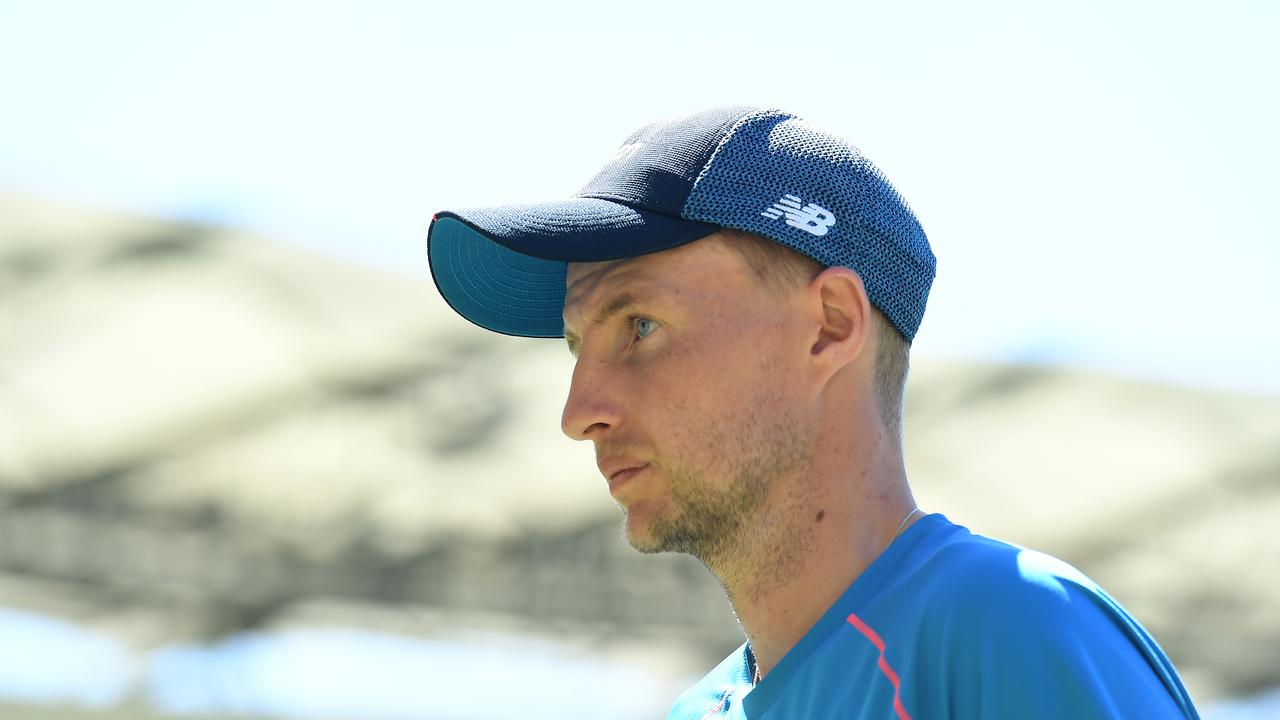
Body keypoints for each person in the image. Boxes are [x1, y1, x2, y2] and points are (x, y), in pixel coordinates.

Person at [426, 106, 1200, 719]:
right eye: (574, 347)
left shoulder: (1011, 626)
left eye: (640, 327)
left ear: (830, 325)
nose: (579, 412)